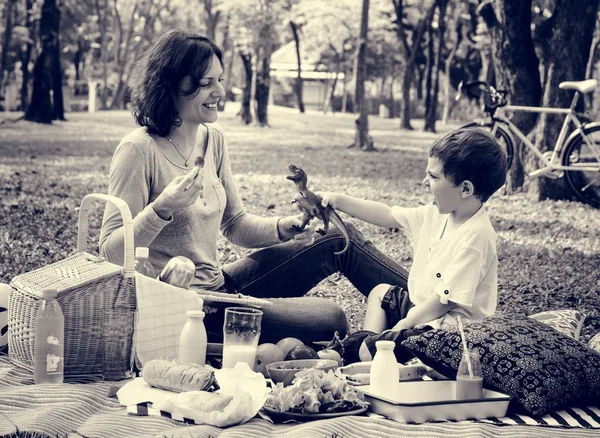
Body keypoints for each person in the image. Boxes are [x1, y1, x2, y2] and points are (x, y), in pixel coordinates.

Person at [99, 29, 410, 344]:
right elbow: (110, 252)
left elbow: (234, 224)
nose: (219, 92)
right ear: (170, 85)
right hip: (186, 309)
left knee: (333, 238)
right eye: (206, 84)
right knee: (332, 319)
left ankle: (425, 301)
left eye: (220, 80)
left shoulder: (212, 138)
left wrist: (282, 227)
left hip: (222, 285)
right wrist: (162, 208)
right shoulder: (138, 151)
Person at [319, 128, 508, 362]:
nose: (425, 182)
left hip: (448, 333)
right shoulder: (436, 214)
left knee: (377, 346)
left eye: (434, 177)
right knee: (380, 293)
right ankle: (374, 351)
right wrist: (338, 200)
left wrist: (405, 323)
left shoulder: (476, 236)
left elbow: (443, 302)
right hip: (422, 313)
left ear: (466, 189)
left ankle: (364, 354)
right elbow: (388, 214)